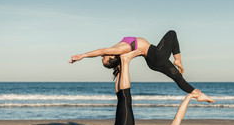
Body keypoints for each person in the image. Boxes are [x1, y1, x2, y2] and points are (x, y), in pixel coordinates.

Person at [69, 30, 215, 103]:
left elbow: (103, 51)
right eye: (105, 58)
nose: (102, 56)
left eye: (103, 58)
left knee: (178, 78)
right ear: (111, 56)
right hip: (155, 55)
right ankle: (179, 61)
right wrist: (82, 56)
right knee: (172, 33)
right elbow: (101, 50)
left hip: (153, 61)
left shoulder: (117, 50)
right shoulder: (118, 51)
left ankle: (198, 94)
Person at [106, 50, 202, 125]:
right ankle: (119, 67)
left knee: (125, 98)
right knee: (122, 99)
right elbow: (179, 117)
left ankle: (125, 61)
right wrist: (189, 96)